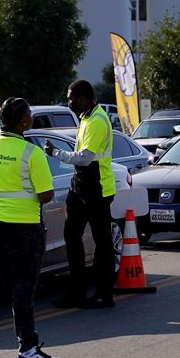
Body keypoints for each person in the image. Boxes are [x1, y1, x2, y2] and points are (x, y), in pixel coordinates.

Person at [0, 97, 66, 358]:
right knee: (22, 287)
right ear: (23, 121)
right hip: (23, 227)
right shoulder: (31, 152)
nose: (31, 117)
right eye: (29, 114)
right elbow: (46, 195)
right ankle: (28, 351)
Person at [46, 79, 117, 310]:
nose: (69, 102)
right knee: (72, 237)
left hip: (97, 188)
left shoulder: (97, 120)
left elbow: (85, 158)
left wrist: (55, 153)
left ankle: (104, 294)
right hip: (80, 186)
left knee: (102, 243)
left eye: (71, 98)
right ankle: (77, 292)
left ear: (82, 98)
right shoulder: (86, 117)